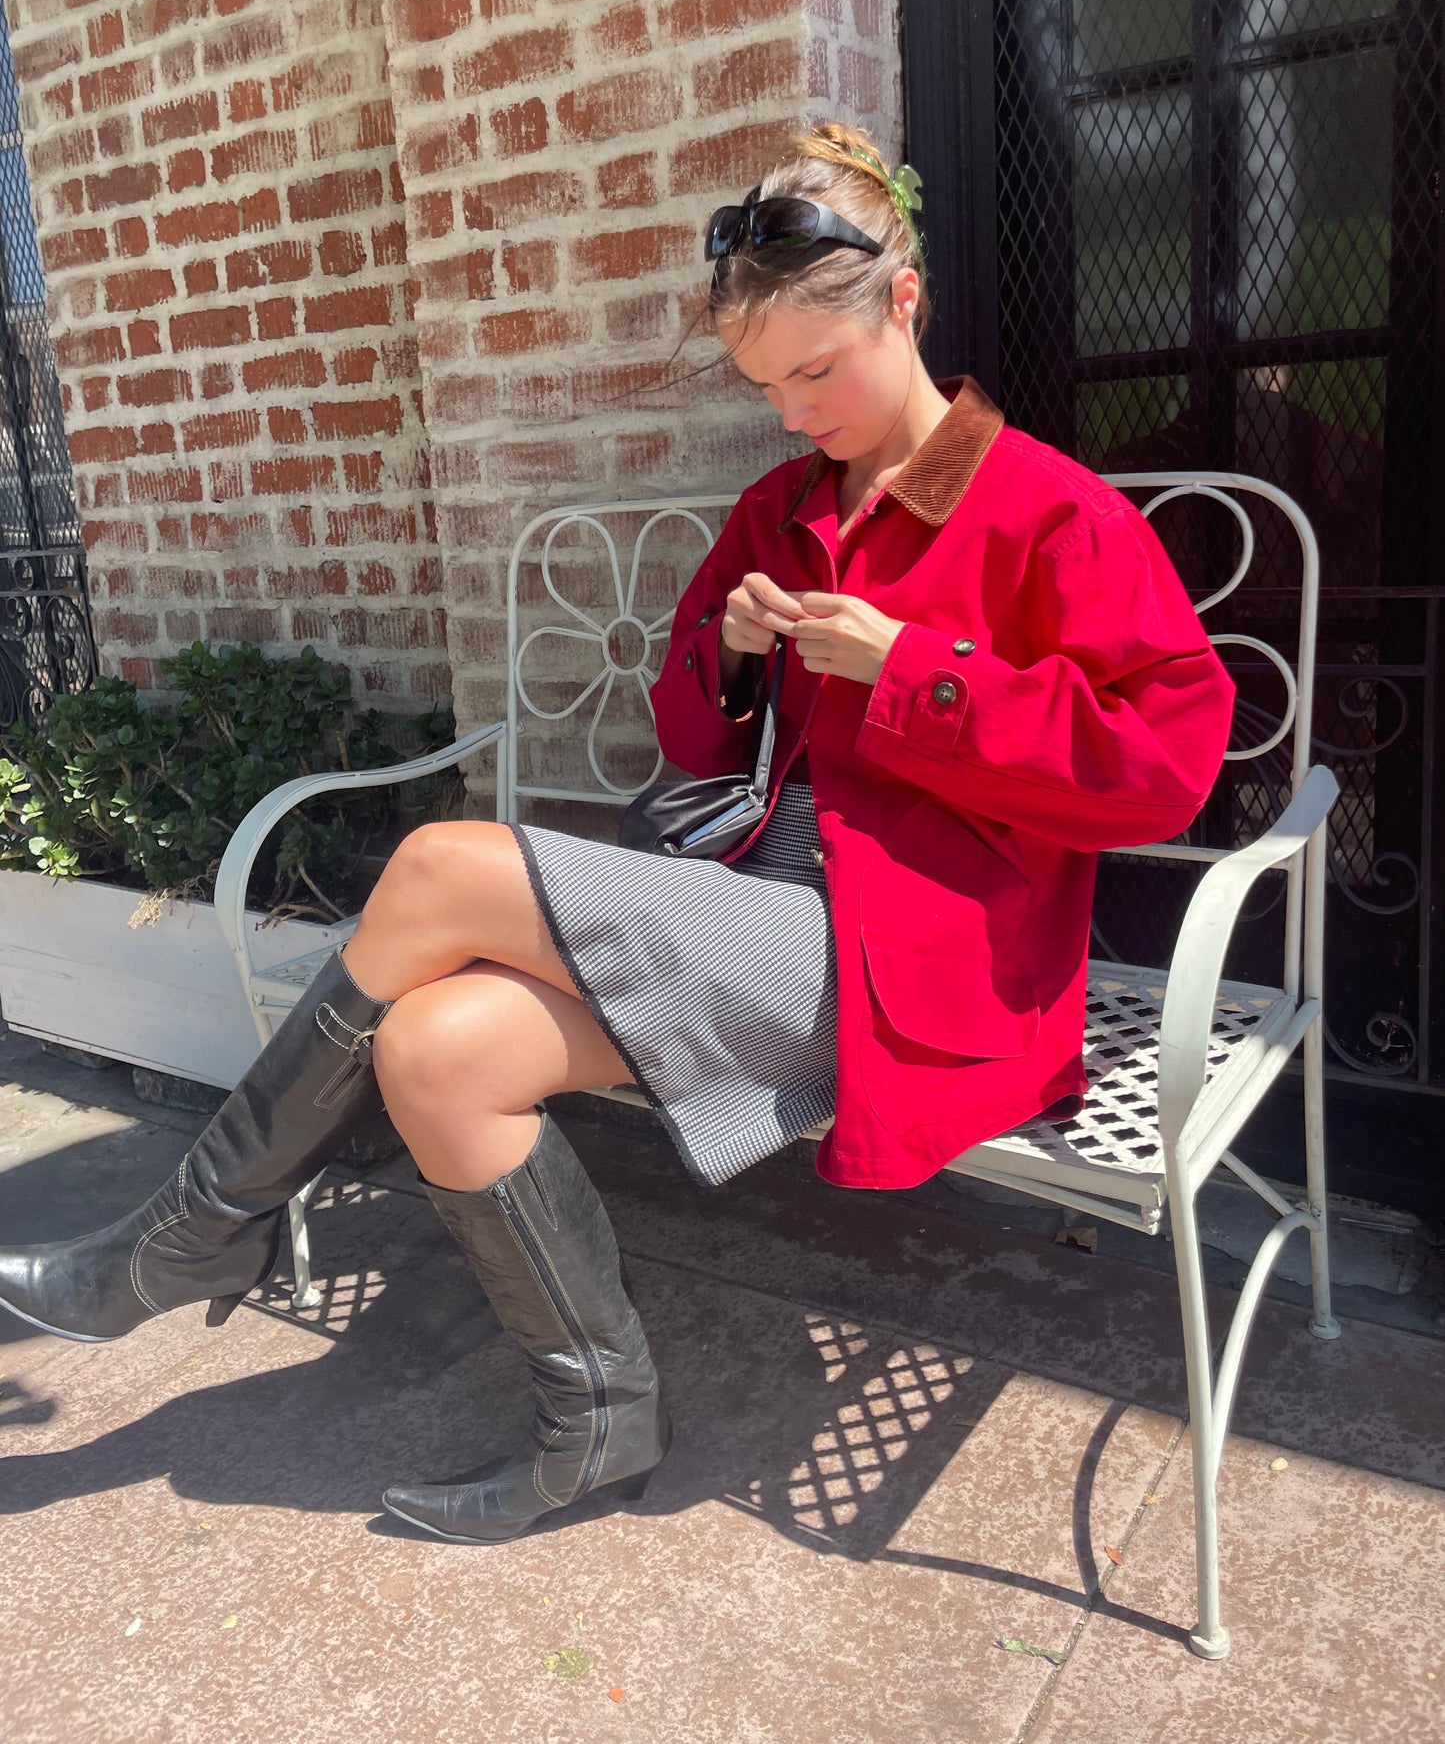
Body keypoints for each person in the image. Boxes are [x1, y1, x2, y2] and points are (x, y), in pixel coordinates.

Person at [0, 122, 1235, 1546]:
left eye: (813, 373)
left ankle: (182, 1240)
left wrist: (909, 670)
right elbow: (699, 744)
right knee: (433, 1047)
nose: (788, 414)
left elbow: (1163, 772)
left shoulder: (1046, 513)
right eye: (763, 384)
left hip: (919, 973)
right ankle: (596, 1421)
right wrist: (731, 647)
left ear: (902, 304)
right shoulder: (780, 509)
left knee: (435, 866)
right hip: (756, 924)